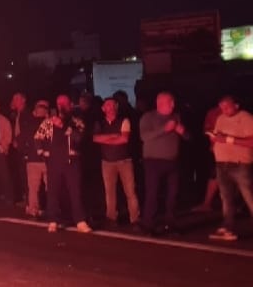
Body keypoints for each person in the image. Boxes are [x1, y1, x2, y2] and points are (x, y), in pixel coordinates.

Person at [36, 95, 92, 233]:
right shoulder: (48, 122)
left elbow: (80, 138)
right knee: (53, 192)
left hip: (71, 161)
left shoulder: (76, 122)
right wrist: (43, 152)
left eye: (64, 103)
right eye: (59, 103)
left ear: (70, 105)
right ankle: (53, 220)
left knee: (75, 192)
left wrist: (65, 127)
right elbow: (37, 137)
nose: (61, 106)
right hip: (54, 162)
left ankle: (80, 221)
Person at [138, 92, 190, 235]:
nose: (173, 105)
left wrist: (182, 131)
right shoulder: (148, 117)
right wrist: (164, 129)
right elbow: (144, 136)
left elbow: (187, 137)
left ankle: (171, 222)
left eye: (173, 102)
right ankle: (148, 223)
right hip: (153, 161)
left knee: (173, 193)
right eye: (170, 102)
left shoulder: (176, 116)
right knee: (152, 193)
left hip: (173, 161)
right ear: (160, 103)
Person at [207, 96, 253, 241]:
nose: (224, 110)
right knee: (226, 197)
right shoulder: (220, 118)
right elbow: (218, 135)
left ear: (236, 105)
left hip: (240, 163)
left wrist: (228, 140)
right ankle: (228, 226)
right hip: (222, 163)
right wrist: (214, 140)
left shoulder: (245, 118)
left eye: (227, 107)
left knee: (249, 195)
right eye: (221, 108)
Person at [93, 98, 139, 228]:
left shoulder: (124, 120)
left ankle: (135, 219)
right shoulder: (100, 123)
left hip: (124, 161)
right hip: (107, 162)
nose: (111, 107)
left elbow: (124, 139)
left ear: (117, 106)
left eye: (113, 105)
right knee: (109, 192)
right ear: (103, 108)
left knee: (130, 191)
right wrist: (114, 136)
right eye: (108, 105)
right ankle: (111, 217)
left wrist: (106, 139)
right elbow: (95, 138)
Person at [19, 100, 50, 218]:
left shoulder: (28, 125)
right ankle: (51, 208)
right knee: (50, 186)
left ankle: (33, 209)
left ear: (35, 113)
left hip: (32, 160)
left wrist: (25, 154)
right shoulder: (49, 124)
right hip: (47, 160)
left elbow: (21, 141)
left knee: (33, 187)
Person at [194, 104, 224, 212]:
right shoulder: (213, 112)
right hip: (216, 149)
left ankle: (237, 205)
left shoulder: (240, 115)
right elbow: (206, 129)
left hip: (235, 151)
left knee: (238, 176)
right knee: (214, 175)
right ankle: (207, 204)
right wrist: (213, 135)